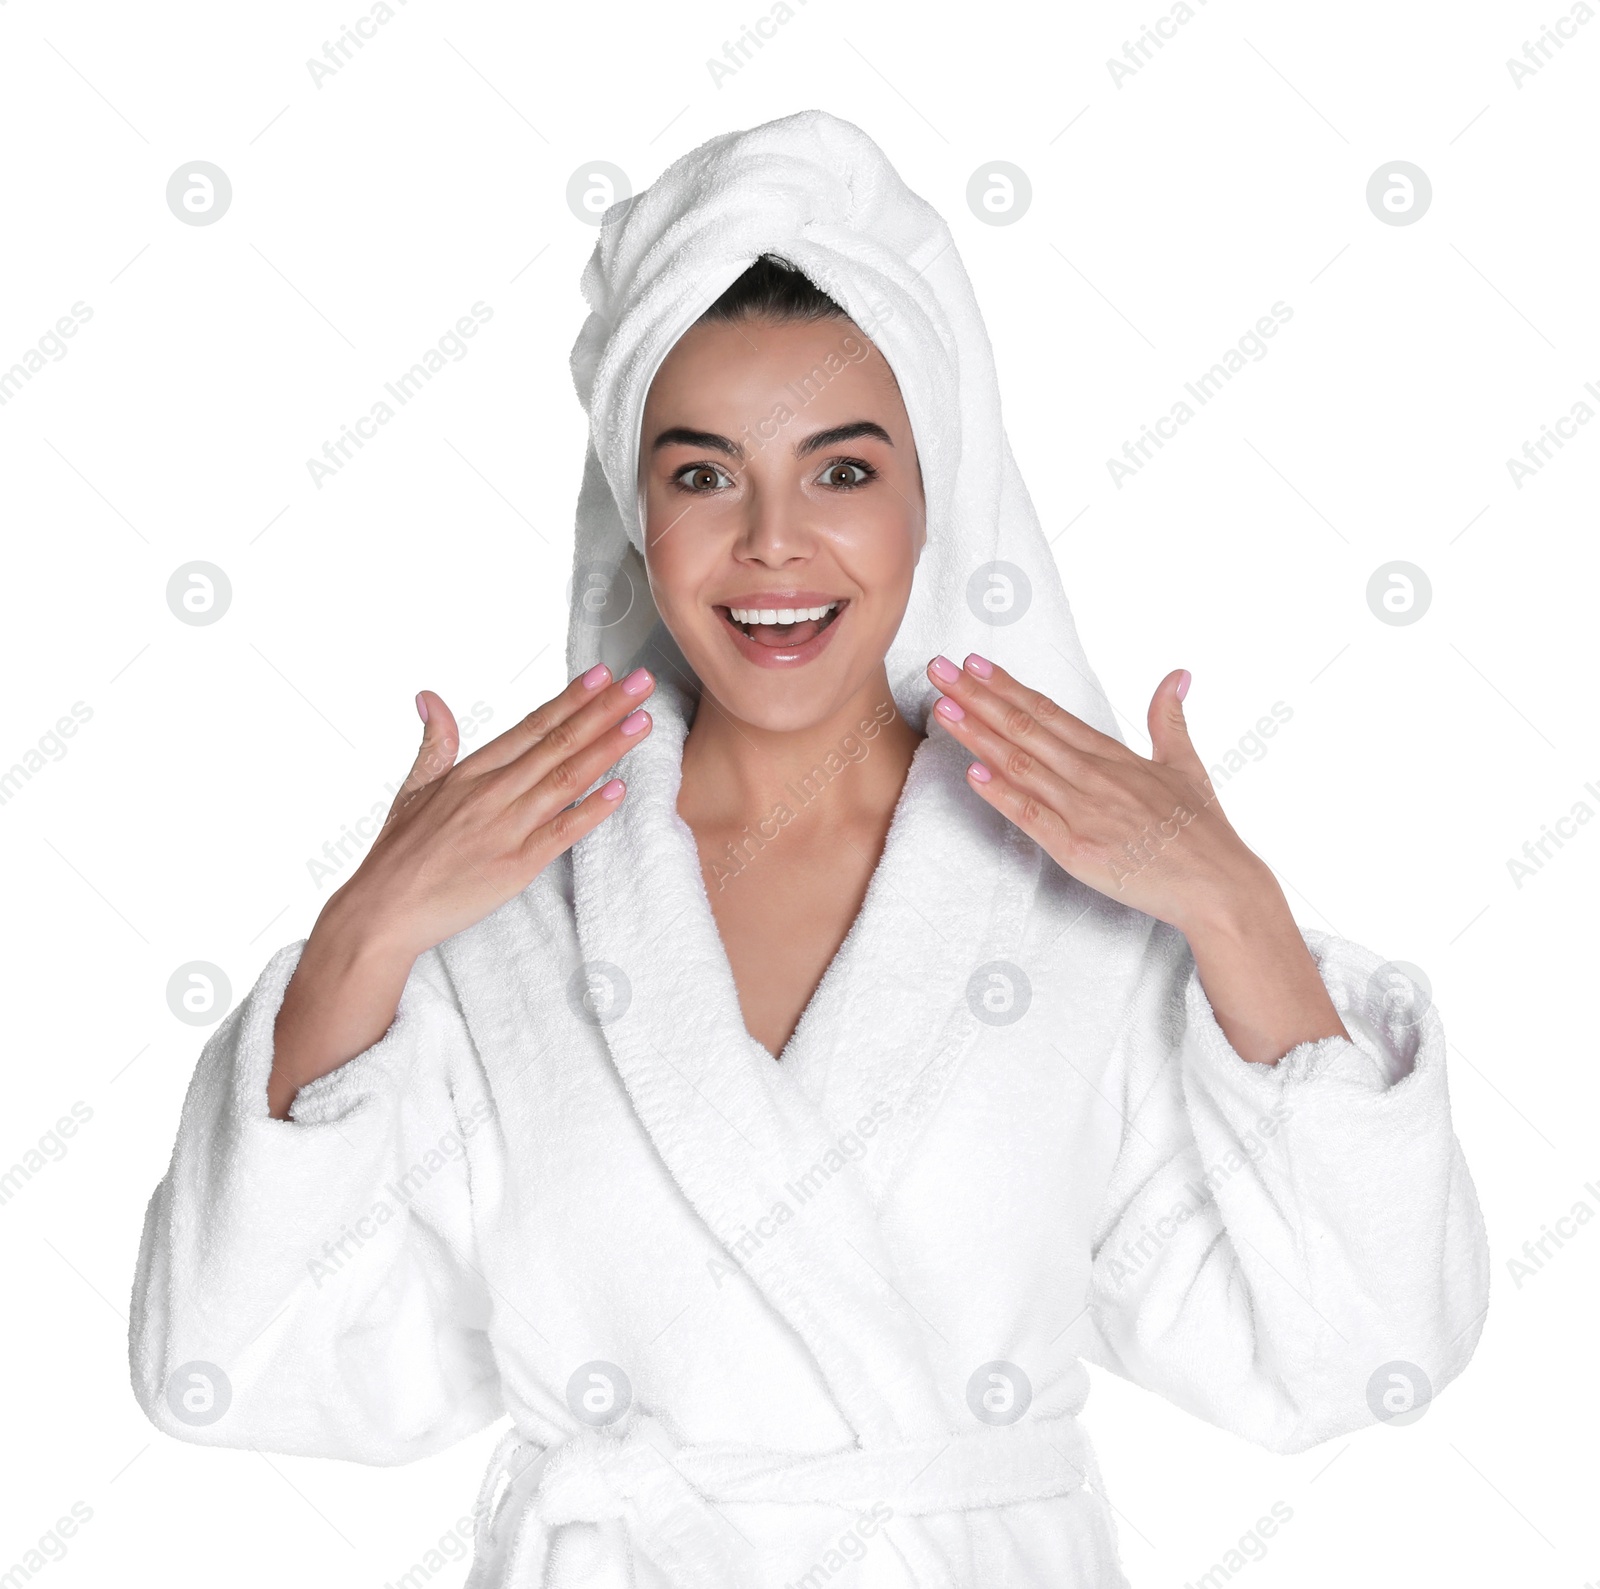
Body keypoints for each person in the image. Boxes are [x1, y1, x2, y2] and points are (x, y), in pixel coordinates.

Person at [128, 110, 1490, 1589]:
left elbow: (1371, 1348)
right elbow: (223, 1364)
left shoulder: (1078, 904)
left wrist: (1234, 911)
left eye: (842, 472)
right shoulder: (508, 915)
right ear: (637, 515)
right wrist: (365, 938)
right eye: (704, 474)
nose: (774, 542)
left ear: (935, 501)